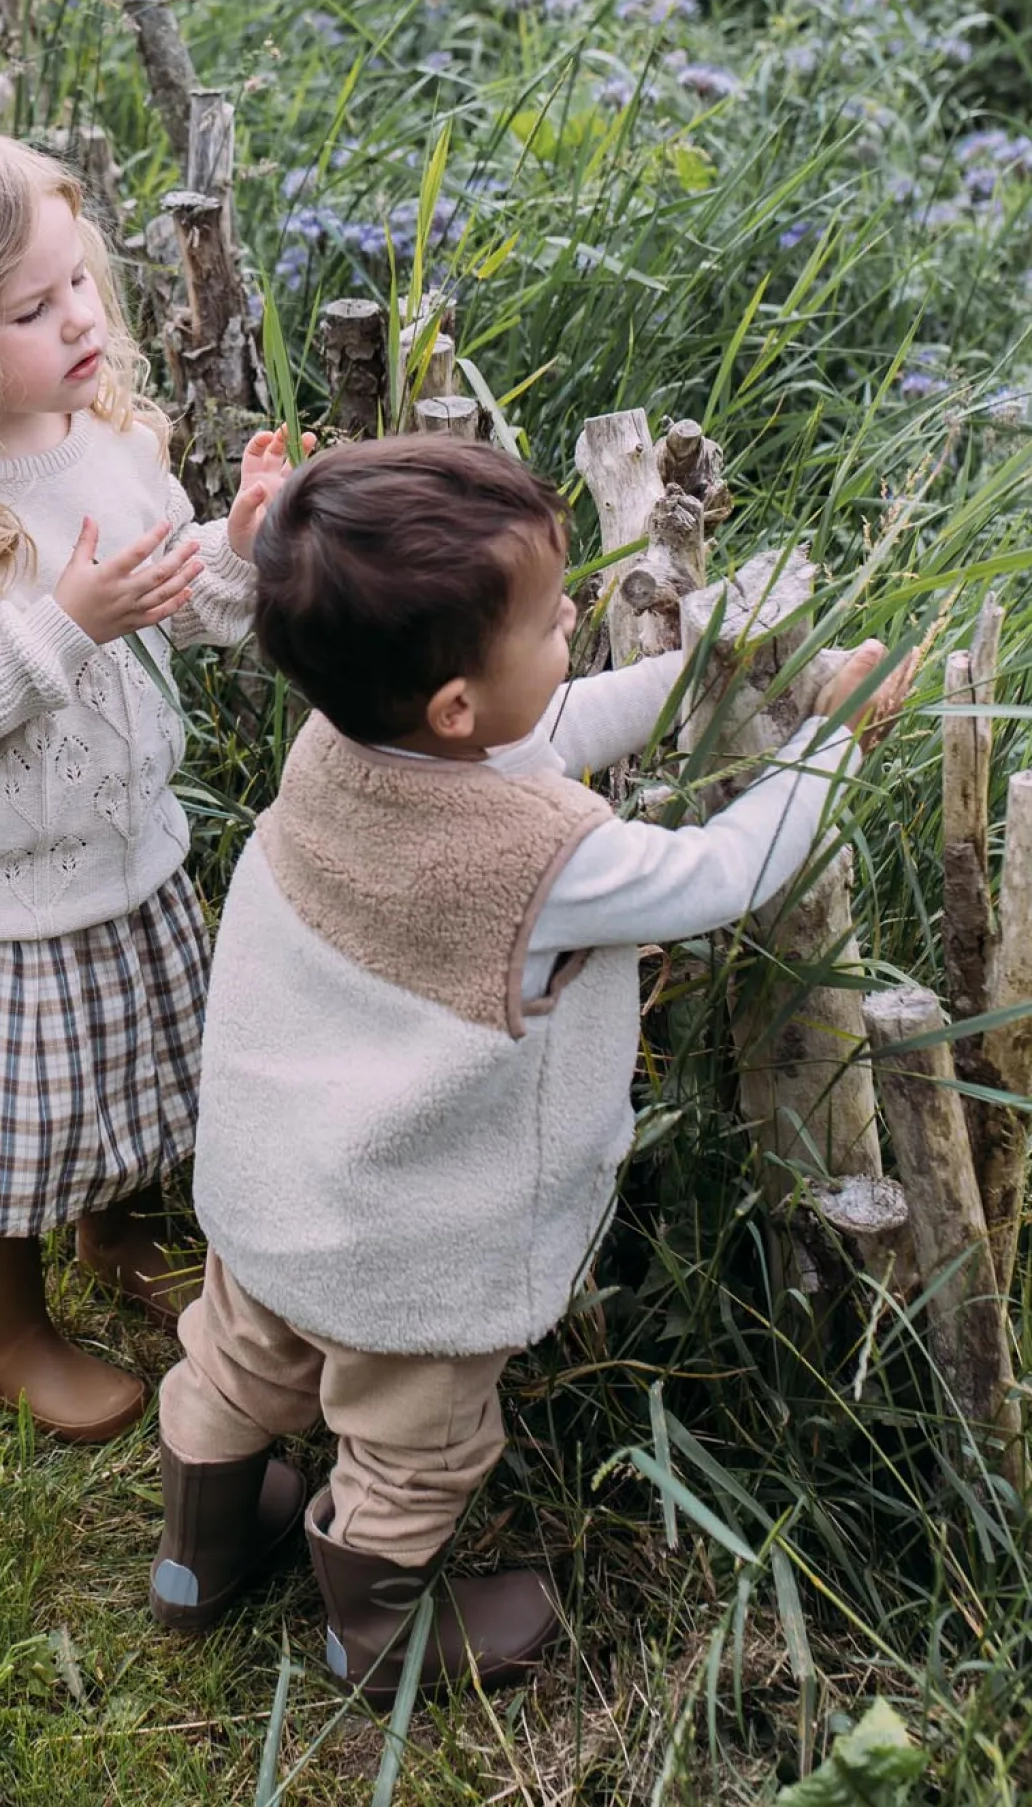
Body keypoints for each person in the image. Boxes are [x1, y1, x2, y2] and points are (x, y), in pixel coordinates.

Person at [148, 436, 913, 1691]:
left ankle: (198, 1555)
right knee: (412, 1442)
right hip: (405, 1243)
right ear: (455, 701)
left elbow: (546, 720)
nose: (572, 624)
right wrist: (822, 751)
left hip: (272, 1183)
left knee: (238, 1354)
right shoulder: (541, 862)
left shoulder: (342, 744)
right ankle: (373, 1630)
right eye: (550, 621)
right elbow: (717, 873)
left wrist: (688, 676)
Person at [0, 122, 306, 1443]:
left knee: (137, 1070)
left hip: (119, 856)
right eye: (34, 307)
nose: (82, 318)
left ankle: (120, 1228)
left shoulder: (103, 439)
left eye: (79, 280)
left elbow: (172, 603)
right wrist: (66, 625)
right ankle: (3, 1324)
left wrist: (233, 549)